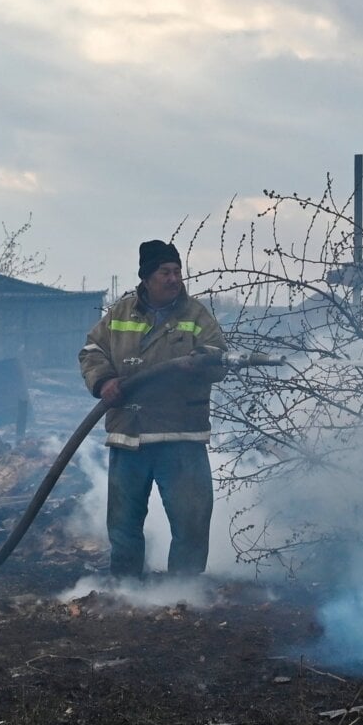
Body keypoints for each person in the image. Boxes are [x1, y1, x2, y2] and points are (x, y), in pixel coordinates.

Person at [78, 240, 227, 579]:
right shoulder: (119, 313)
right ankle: (127, 590)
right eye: (165, 272)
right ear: (146, 278)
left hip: (180, 436)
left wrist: (198, 363)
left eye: (177, 271)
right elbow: (91, 351)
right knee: (123, 524)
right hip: (129, 434)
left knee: (191, 521)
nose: (173, 279)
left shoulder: (196, 314)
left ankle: (183, 593)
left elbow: (218, 359)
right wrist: (104, 383)